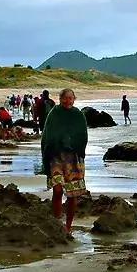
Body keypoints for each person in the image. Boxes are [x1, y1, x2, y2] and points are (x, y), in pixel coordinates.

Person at [40, 88, 88, 236]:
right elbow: (46, 136)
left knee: (73, 194)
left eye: (70, 98)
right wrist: (45, 157)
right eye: (64, 98)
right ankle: (57, 223)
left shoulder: (78, 115)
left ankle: (68, 226)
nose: (67, 101)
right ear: (60, 99)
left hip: (73, 158)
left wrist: (75, 146)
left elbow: (83, 136)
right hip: (55, 156)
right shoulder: (54, 114)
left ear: (74, 99)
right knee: (58, 190)